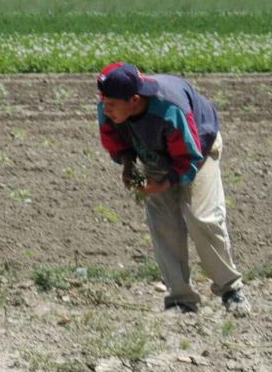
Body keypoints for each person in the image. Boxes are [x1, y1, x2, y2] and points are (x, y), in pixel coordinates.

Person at [95, 61, 250, 316]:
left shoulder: (170, 109)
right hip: (156, 153)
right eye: (103, 100)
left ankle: (231, 290)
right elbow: (117, 143)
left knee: (201, 217)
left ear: (134, 100)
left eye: (111, 103)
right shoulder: (110, 109)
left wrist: (165, 183)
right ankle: (180, 299)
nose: (105, 107)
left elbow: (188, 158)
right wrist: (127, 166)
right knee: (163, 223)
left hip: (198, 150)